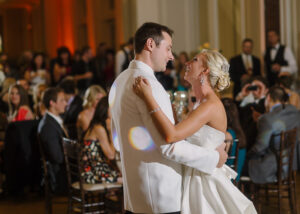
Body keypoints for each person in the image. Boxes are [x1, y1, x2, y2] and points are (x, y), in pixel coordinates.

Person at [109, 22, 229, 214]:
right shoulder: (150, 87)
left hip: (134, 194)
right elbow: (170, 145)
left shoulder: (119, 81)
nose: (172, 56)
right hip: (160, 194)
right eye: (168, 48)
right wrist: (215, 157)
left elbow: (116, 141)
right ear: (150, 44)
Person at [133, 48, 256, 213]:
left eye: (194, 60)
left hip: (204, 182)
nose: (187, 63)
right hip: (194, 175)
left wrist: (149, 98)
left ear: (205, 71)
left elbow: (172, 135)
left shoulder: (210, 105)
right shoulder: (200, 104)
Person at [248, 86, 300, 184]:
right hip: (290, 165)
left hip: (271, 167)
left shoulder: (267, 119)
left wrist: (247, 154)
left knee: (241, 163)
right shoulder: (295, 113)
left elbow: (260, 147)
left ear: (268, 98)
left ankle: (248, 197)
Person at [82, 97, 122, 184]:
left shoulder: (96, 125)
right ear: (105, 109)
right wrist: (111, 130)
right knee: (127, 180)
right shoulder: (99, 128)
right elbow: (111, 155)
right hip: (93, 173)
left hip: (97, 169)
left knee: (125, 175)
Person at [38, 87, 68, 193]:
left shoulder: (53, 121)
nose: (66, 103)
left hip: (65, 171)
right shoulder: (48, 127)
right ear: (52, 103)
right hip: (61, 177)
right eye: (62, 100)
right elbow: (57, 157)